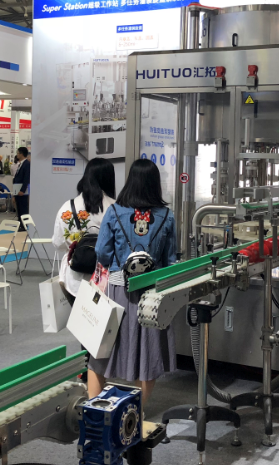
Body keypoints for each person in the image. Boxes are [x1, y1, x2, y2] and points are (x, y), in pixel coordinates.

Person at [87, 159, 177, 405]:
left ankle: (94, 408)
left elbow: (102, 253)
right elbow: (170, 260)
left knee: (101, 352)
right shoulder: (167, 217)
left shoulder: (114, 212)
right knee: (148, 354)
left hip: (117, 291)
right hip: (152, 295)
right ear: (155, 184)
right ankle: (137, 414)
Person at [52, 158, 116, 303]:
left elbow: (58, 243)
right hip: (105, 279)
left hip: (74, 279)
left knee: (77, 316)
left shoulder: (67, 208)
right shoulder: (116, 208)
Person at [13, 147, 30, 231]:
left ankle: (24, 226)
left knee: (23, 208)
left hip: (22, 191)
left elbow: (26, 178)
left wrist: (22, 190)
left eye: (18, 153)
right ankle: (20, 224)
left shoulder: (27, 164)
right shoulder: (20, 164)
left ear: (22, 154)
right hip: (17, 190)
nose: (17, 155)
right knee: (19, 208)